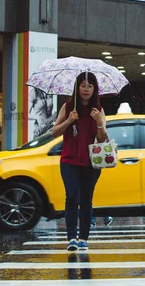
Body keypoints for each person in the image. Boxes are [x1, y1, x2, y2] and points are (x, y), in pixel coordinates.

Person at [52, 72, 107, 251]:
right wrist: (69, 120)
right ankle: (71, 239)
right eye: (83, 85)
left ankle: (83, 238)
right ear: (77, 87)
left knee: (86, 199)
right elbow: (54, 132)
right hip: (69, 160)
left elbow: (102, 138)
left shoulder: (98, 110)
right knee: (72, 197)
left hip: (90, 161)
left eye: (90, 86)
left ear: (94, 89)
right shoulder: (68, 107)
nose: (86, 89)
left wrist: (99, 122)